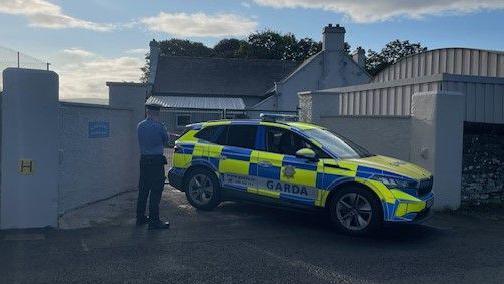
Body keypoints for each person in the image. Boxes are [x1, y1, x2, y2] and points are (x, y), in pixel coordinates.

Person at [136, 103, 170, 230]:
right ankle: (154, 221)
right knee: (156, 191)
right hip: (156, 161)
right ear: (157, 113)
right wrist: (164, 129)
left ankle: (140, 218)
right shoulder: (159, 127)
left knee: (143, 190)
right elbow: (166, 141)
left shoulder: (140, 126)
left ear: (147, 112)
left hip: (144, 160)